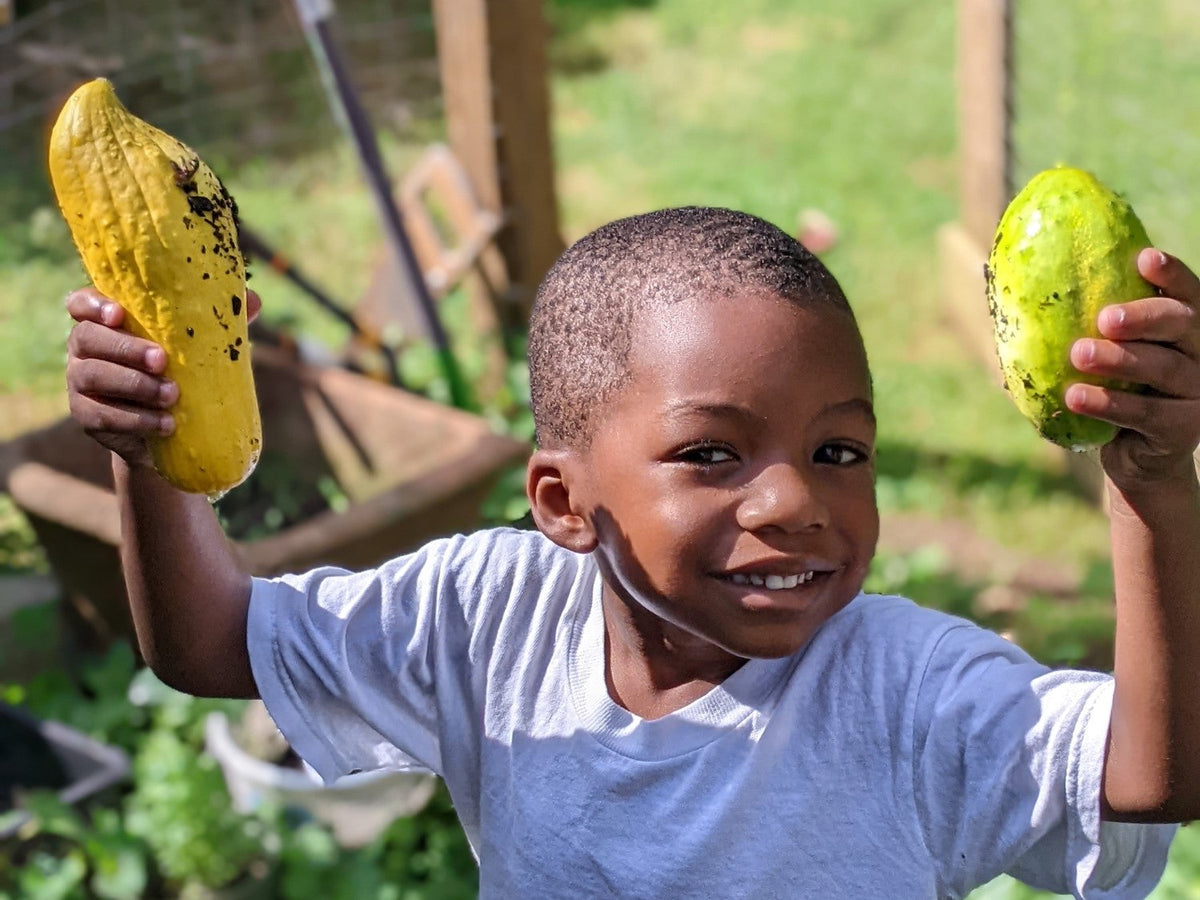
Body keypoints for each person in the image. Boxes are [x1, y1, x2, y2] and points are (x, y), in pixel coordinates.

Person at [64, 206, 1199, 897]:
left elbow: (1159, 774)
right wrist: (149, 451)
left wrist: (1150, 485)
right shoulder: (488, 619)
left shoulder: (906, 694)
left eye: (841, 450)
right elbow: (210, 644)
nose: (796, 499)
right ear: (563, 501)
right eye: (712, 453)